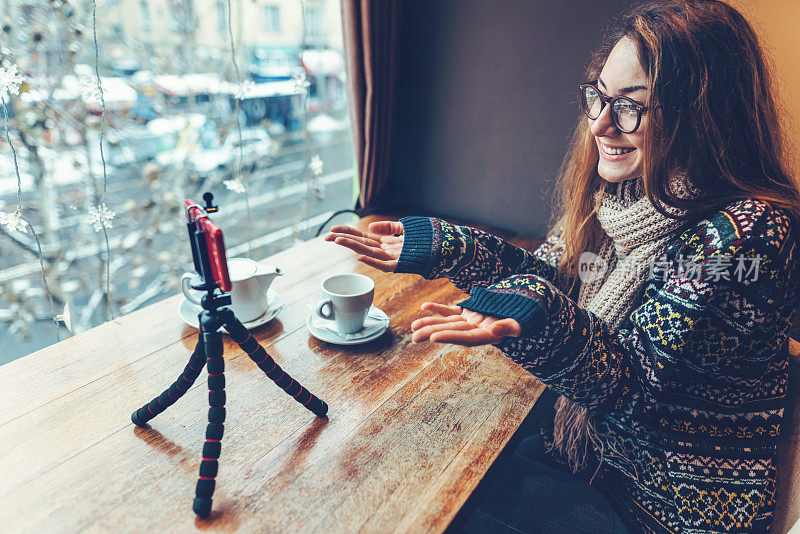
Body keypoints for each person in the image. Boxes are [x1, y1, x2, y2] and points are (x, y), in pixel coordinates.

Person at [325, 1, 800, 532]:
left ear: (705, 114)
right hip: (594, 465)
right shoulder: (624, 200)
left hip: (656, 511)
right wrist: (445, 247)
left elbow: (634, 382)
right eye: (599, 96)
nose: (600, 123)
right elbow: (552, 276)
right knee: (412, 457)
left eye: (631, 106)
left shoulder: (748, 232)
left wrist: (539, 314)